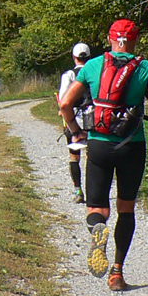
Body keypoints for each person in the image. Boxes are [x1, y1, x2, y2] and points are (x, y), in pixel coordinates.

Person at [59, 19, 148, 291]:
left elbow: (65, 103)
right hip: (131, 147)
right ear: (135, 40)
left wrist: (76, 131)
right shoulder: (146, 68)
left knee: (97, 208)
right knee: (126, 207)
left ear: (110, 39)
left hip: (99, 146)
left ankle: (97, 228)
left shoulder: (92, 66)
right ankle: (117, 273)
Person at [56, 42, 93, 204]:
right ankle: (93, 191)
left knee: (74, 156)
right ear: (89, 56)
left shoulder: (69, 75)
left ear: (74, 57)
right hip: (94, 118)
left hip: (74, 119)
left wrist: (62, 111)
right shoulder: (96, 72)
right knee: (91, 156)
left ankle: (78, 191)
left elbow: (63, 99)